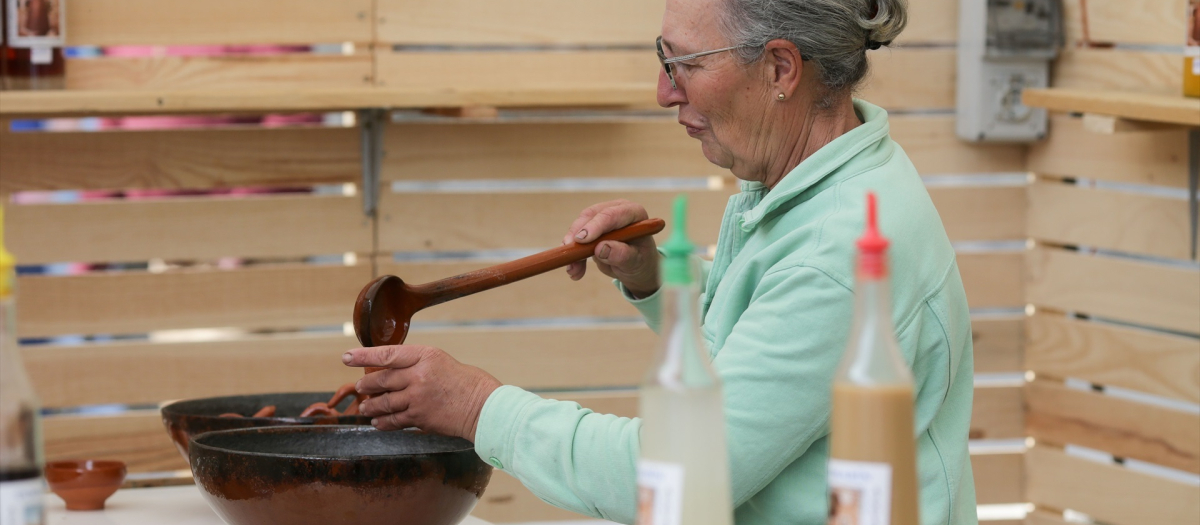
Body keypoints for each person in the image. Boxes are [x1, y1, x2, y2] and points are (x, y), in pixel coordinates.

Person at [342, 0, 978, 523]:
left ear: (781, 69)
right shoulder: (828, 182)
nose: (662, 92)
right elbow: (771, 354)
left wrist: (478, 405)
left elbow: (676, 474)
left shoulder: (833, 253)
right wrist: (655, 282)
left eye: (684, 64)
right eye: (662, 58)